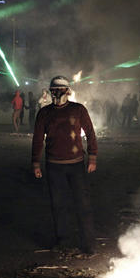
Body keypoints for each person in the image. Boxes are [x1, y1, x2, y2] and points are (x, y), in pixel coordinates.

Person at [31, 75, 97, 254]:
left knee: (83, 204)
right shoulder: (44, 113)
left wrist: (92, 157)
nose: (56, 93)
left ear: (67, 91)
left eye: (60, 89)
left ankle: (88, 243)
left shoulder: (78, 110)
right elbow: (38, 139)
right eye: (53, 90)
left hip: (76, 165)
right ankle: (64, 241)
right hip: (54, 166)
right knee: (58, 205)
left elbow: (90, 133)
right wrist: (36, 162)